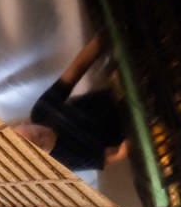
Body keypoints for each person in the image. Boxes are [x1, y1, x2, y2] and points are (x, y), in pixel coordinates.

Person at [13, 35, 127, 171]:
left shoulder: (40, 113)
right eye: (39, 138)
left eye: (36, 130)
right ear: (39, 155)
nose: (44, 131)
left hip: (118, 93)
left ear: (25, 124)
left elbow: (76, 69)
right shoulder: (64, 161)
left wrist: (102, 37)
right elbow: (117, 153)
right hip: (131, 124)